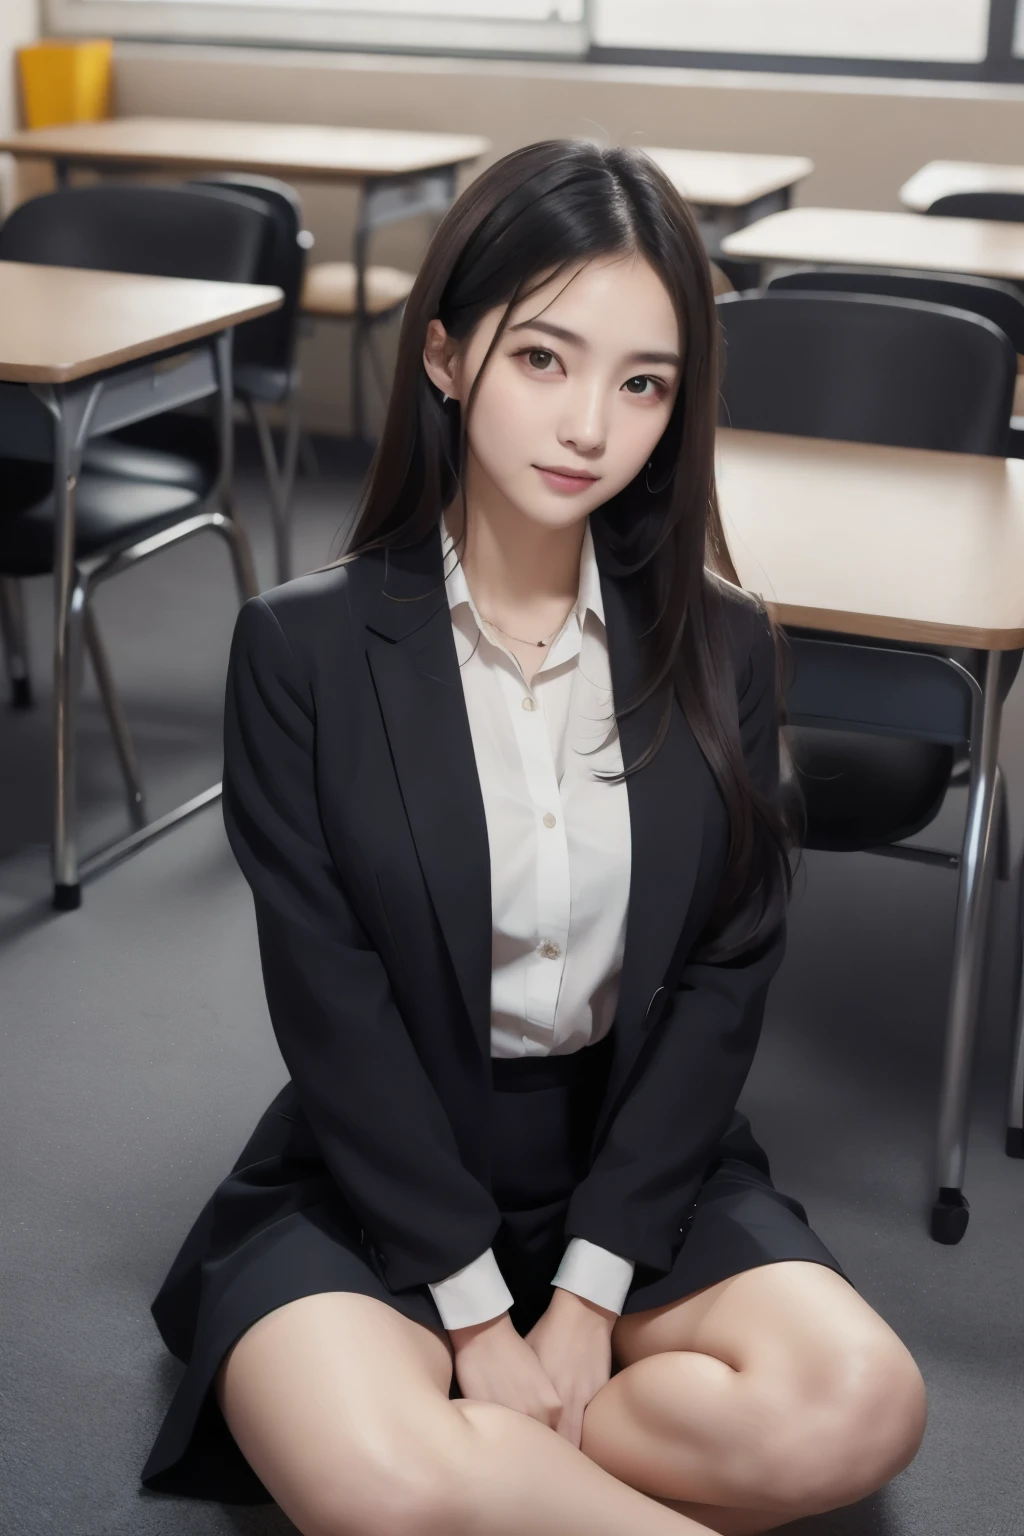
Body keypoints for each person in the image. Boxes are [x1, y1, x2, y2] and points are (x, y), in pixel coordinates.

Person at [139, 140, 926, 1535]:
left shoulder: (723, 644)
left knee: (866, 1406)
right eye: (543, 361)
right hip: (379, 1165)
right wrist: (469, 1310)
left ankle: (497, 1469)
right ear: (446, 358)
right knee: (377, 1483)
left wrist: (584, 1300)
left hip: (633, 1158)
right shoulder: (302, 650)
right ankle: (456, 1444)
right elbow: (336, 1008)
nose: (590, 427)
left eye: (643, 385)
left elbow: (726, 984)